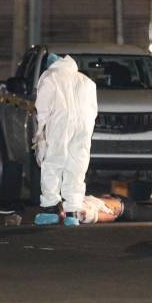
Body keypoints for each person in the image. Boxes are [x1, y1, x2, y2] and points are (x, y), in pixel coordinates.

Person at [32, 53, 98, 226]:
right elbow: (93, 110)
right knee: (77, 165)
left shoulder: (50, 77)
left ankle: (51, 209)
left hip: (60, 123)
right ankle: (72, 212)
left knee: (53, 162)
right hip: (84, 125)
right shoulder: (86, 81)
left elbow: (42, 108)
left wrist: (40, 133)